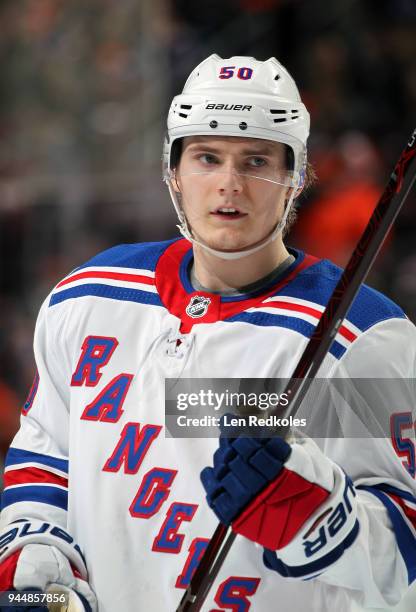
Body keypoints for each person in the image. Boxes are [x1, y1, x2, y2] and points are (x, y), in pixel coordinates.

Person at [0, 54, 415, 612]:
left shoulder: (362, 340)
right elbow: (48, 451)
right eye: (207, 157)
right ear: (173, 170)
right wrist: (36, 554)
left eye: (258, 160)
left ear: (296, 176)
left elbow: (404, 560)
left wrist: (321, 518)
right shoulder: (91, 298)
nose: (229, 184)